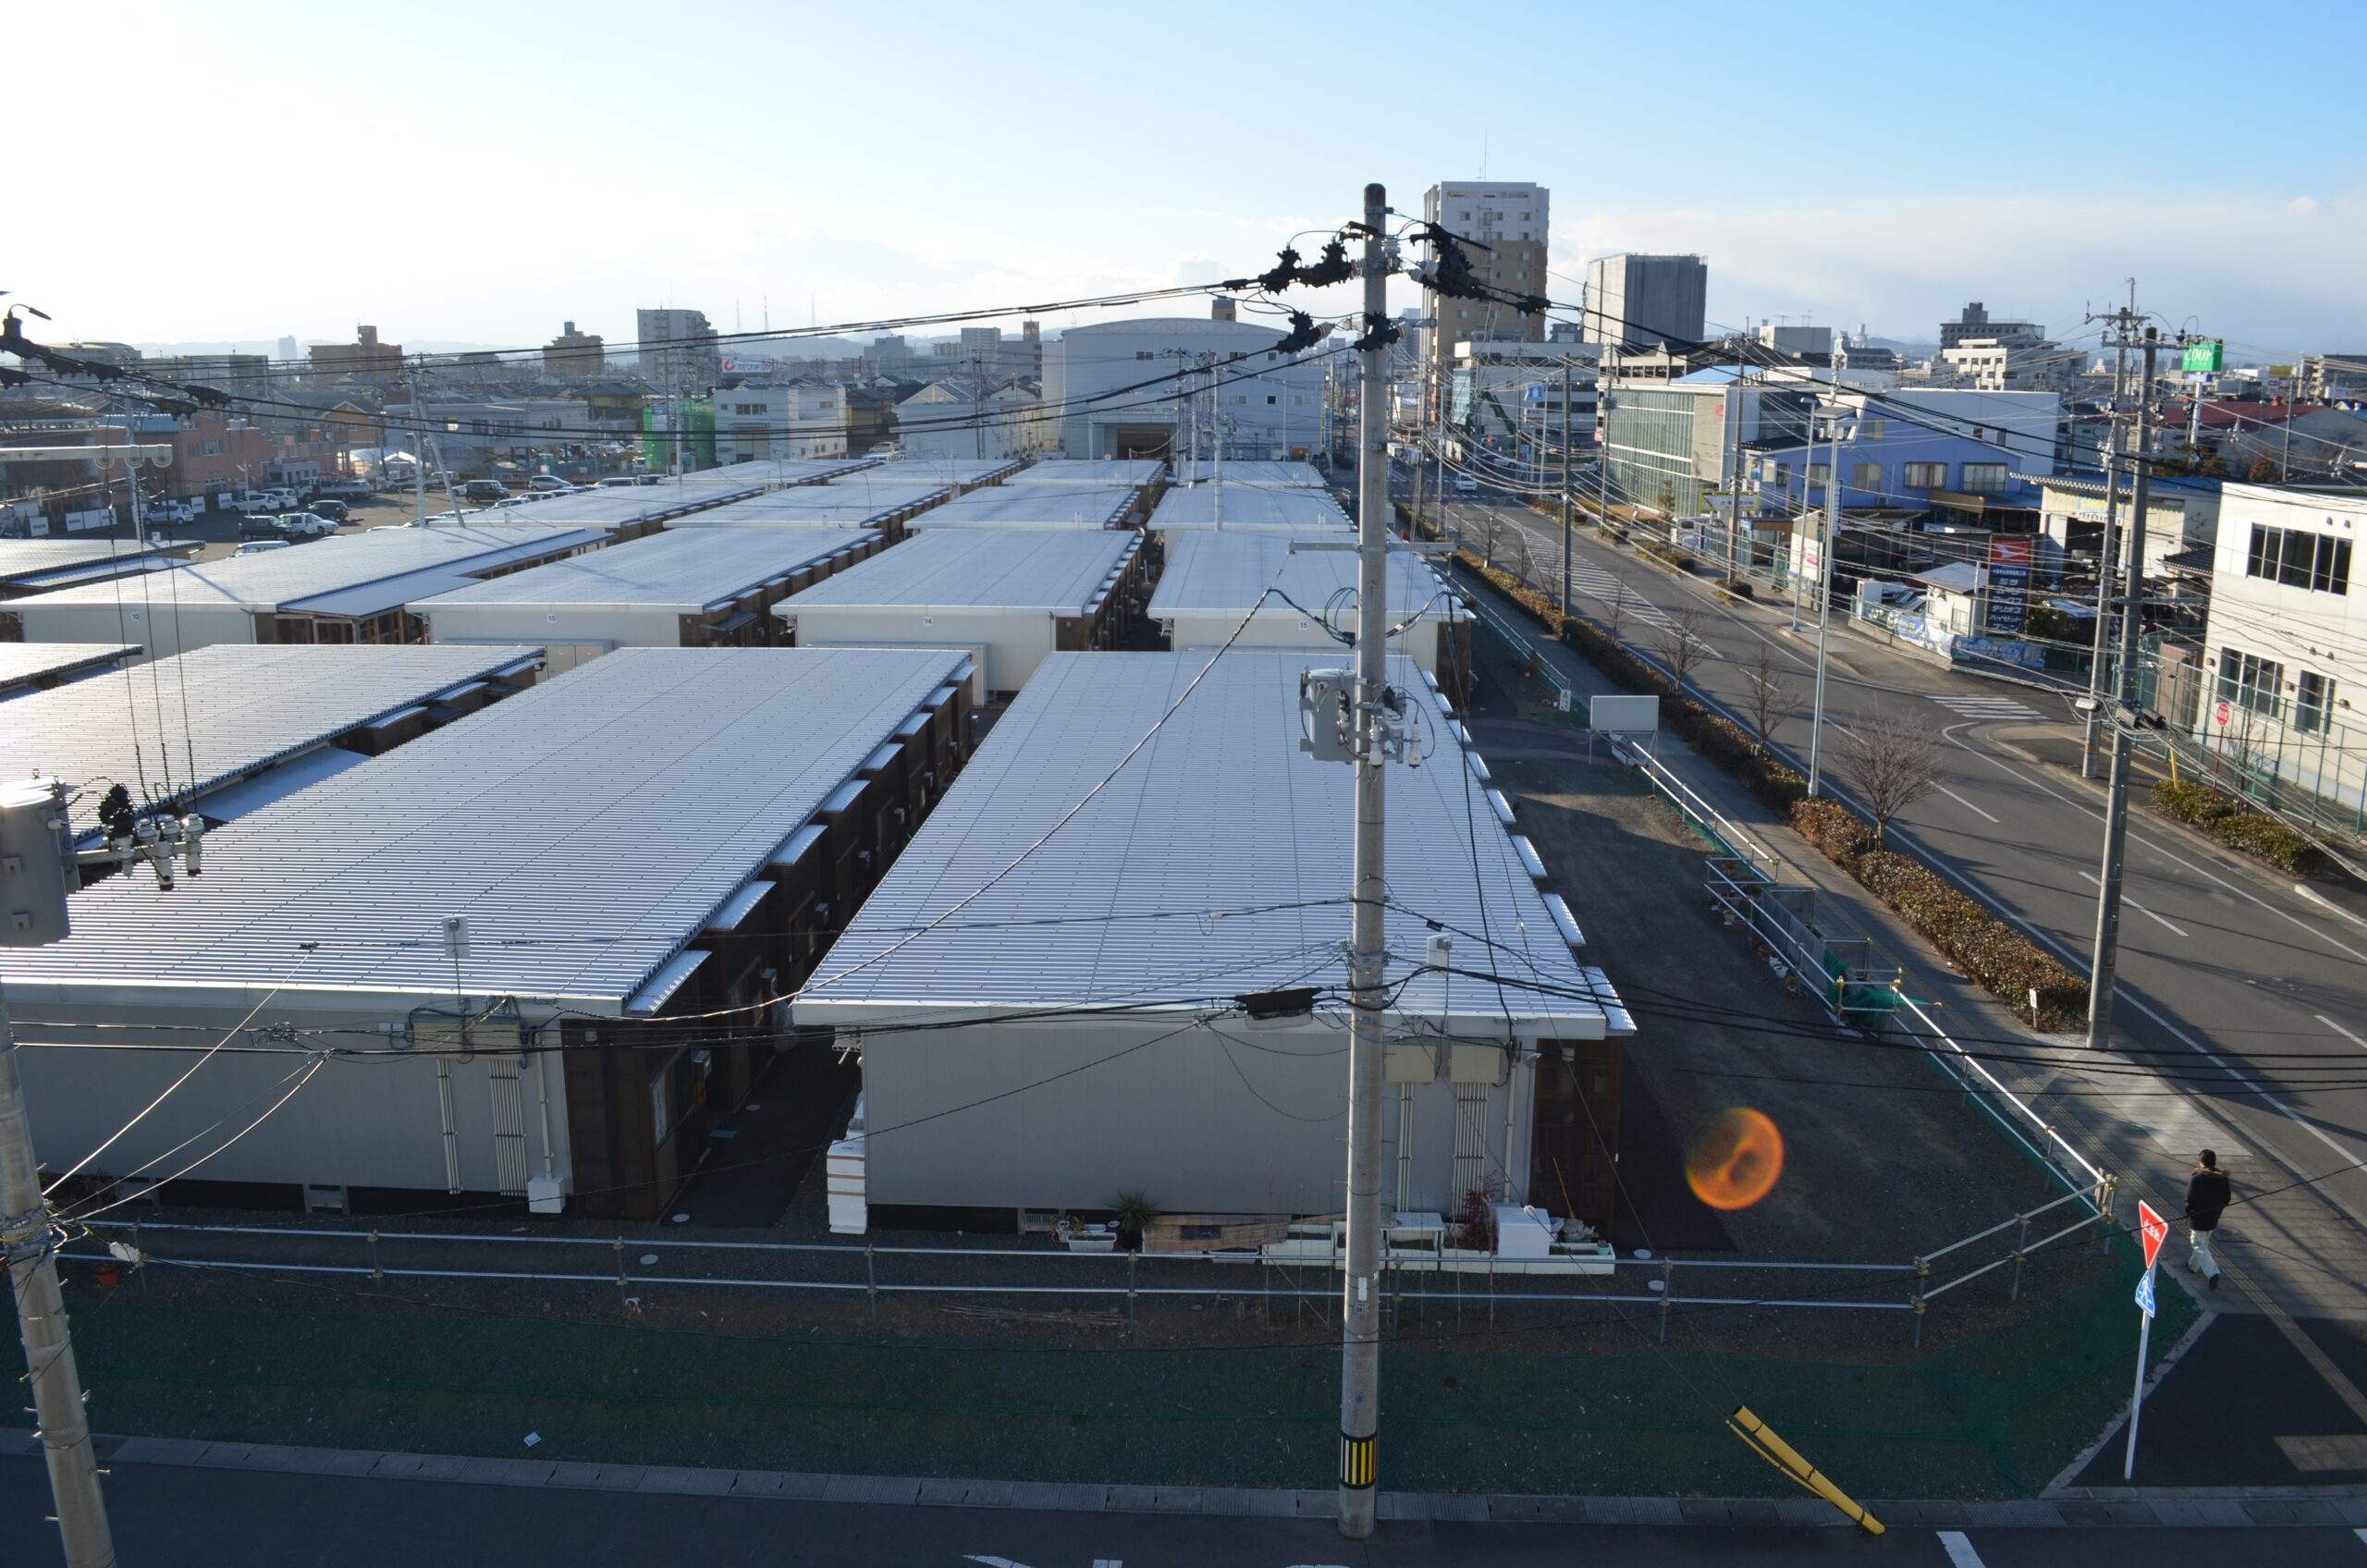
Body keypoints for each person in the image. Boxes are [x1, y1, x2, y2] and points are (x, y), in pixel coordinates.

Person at [2186, 1149, 2230, 1290]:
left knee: (2197, 1243)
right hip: (2213, 1216)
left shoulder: (2198, 1178)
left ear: (2202, 1162)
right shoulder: (2222, 1178)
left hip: (2199, 1217)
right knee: (2203, 1241)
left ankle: (2213, 1273)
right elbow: (2227, 1198)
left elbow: (2190, 1198)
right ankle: (2193, 1266)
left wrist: (2189, 1211)